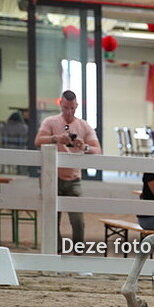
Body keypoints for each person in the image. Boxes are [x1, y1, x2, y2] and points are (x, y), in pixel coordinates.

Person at [34, 90, 101, 250]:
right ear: (60, 105)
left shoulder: (84, 125)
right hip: (53, 177)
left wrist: (82, 146)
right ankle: (54, 250)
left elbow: (97, 149)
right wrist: (55, 138)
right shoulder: (50, 121)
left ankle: (78, 251)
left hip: (73, 178)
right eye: (65, 108)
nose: (69, 112)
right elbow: (38, 140)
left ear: (76, 106)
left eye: (72, 108)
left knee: (78, 220)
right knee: (52, 217)